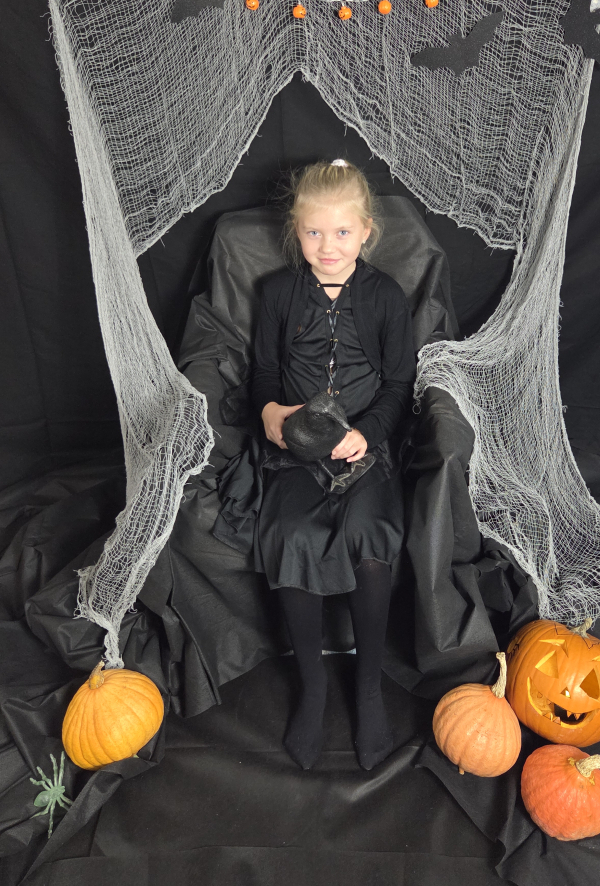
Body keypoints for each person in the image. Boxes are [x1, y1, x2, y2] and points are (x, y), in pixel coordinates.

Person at [249, 158, 417, 771]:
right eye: (314, 232)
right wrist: (271, 413)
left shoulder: (386, 297)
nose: (328, 246)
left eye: (342, 232)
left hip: (364, 451)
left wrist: (367, 435)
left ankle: (368, 688)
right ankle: (313, 685)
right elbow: (262, 374)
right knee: (291, 534)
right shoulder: (276, 294)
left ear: (366, 231)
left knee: (370, 540)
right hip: (296, 452)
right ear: (296, 231)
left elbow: (398, 384)